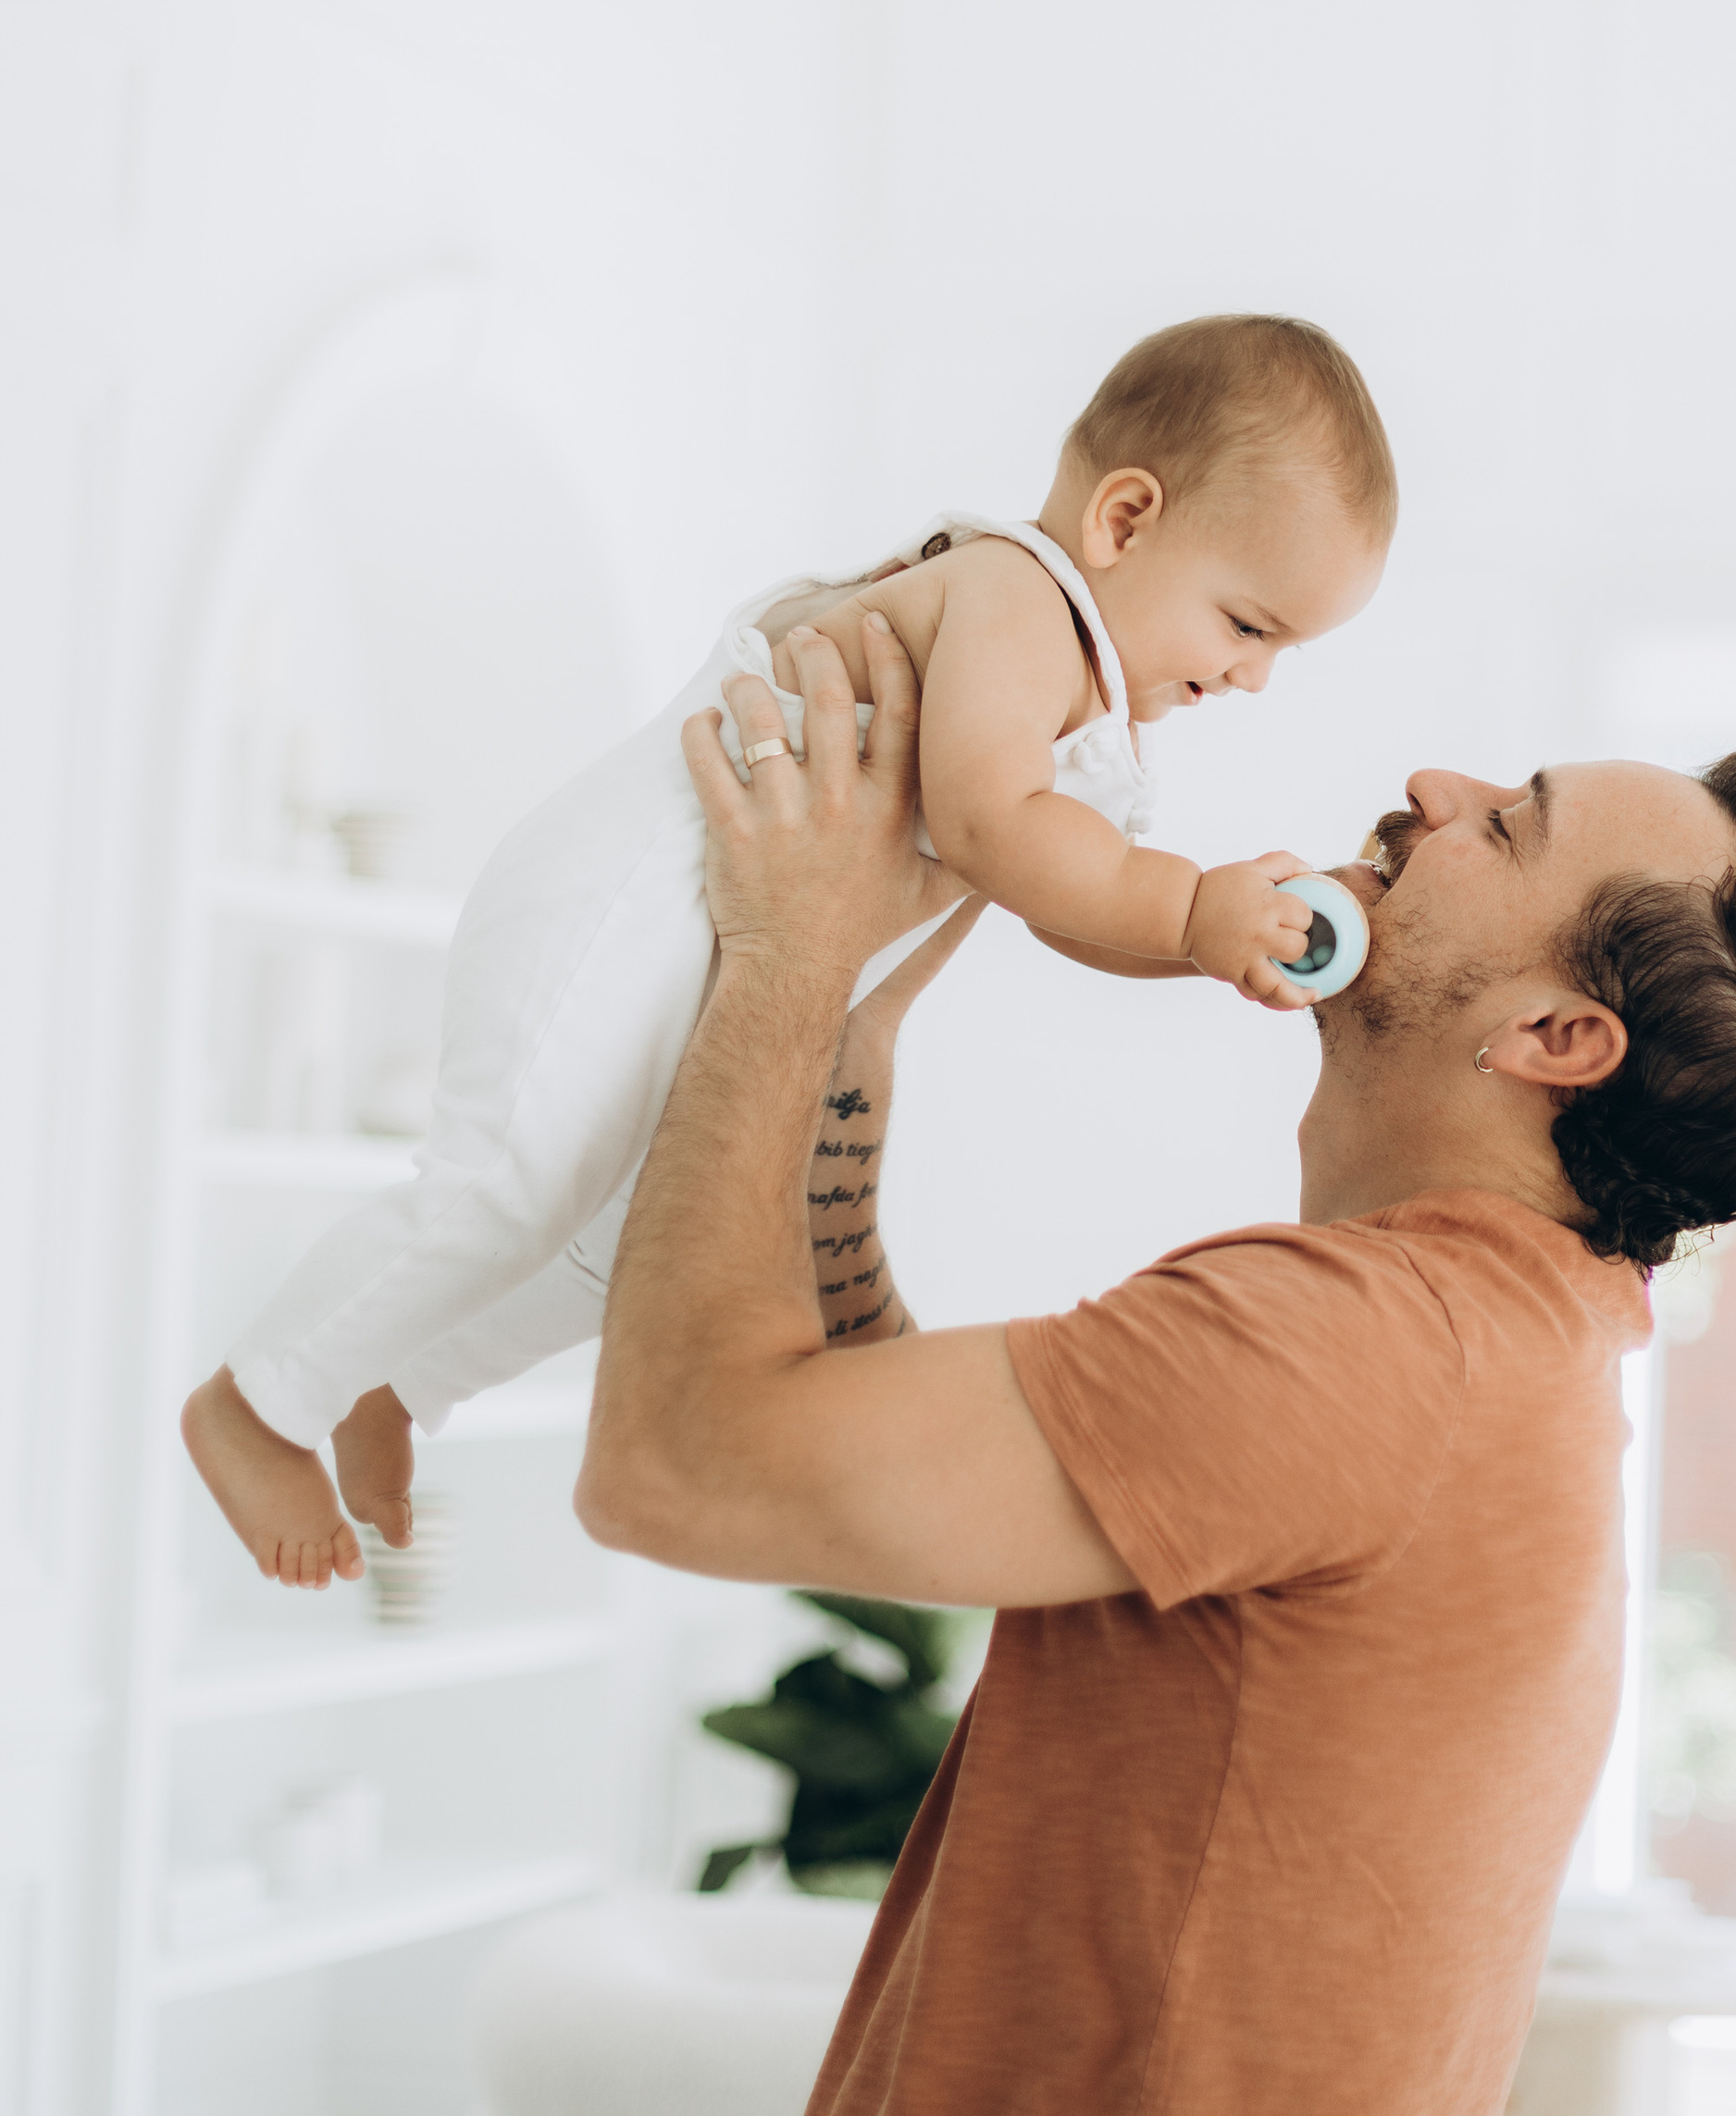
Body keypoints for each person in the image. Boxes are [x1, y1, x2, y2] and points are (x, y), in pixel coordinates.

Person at [575, 614, 1736, 2116]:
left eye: (1505, 823)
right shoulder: (1499, 1343)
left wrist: (780, 949)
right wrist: (854, 1022)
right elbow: (863, 1439)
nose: (1427, 789)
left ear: (1552, 1039)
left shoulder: (1366, 1348)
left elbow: (677, 1461)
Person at [180, 313, 1395, 1590]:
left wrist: (1206, 949)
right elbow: (991, 830)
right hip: (621, 905)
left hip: (699, 952)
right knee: (508, 1182)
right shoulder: (1019, 601)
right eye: (1248, 626)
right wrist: (1192, 906)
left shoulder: (1076, 698)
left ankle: (396, 1379)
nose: (1255, 678)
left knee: (617, 1249)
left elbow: (1066, 904)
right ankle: (259, 1404)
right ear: (1127, 520)